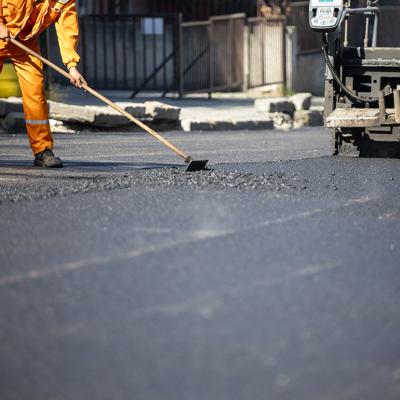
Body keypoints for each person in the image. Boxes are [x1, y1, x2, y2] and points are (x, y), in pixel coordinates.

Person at [0, 0, 87, 168]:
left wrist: (72, 66)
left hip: (24, 42)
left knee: (35, 93)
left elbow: (67, 27)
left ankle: (42, 150)